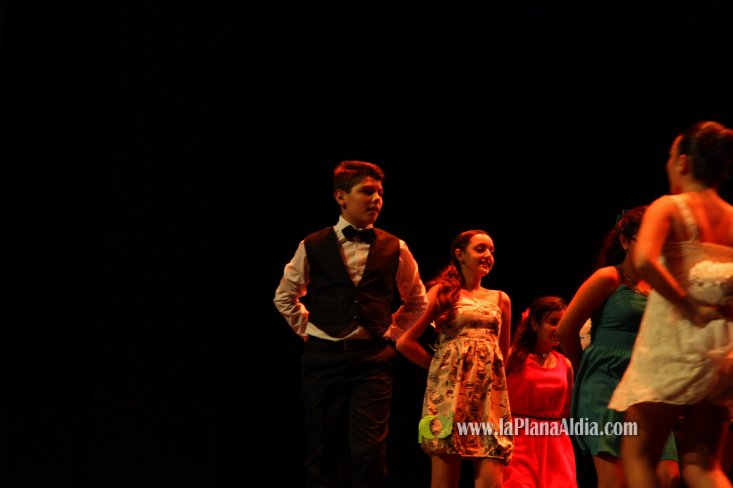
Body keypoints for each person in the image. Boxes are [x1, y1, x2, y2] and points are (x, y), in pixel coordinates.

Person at [273, 160, 428, 488]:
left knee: (370, 452)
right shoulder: (314, 244)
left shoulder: (395, 247)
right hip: (324, 359)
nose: (377, 199)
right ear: (341, 197)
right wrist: (311, 332)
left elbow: (417, 301)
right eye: (367, 191)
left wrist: (391, 332)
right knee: (324, 451)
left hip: (373, 360)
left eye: (380, 193)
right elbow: (285, 296)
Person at [608, 120, 733, 488]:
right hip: (721, 349)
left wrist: (689, 306)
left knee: (638, 451)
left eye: (669, 155)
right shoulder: (731, 217)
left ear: (682, 162)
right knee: (702, 464)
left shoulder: (669, 206)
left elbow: (645, 259)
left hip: (673, 344)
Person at [557, 206, 680, 487]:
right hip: (605, 382)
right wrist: (586, 367)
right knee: (616, 481)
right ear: (625, 241)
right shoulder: (609, 278)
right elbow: (565, 329)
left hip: (647, 383)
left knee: (668, 476)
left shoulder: (661, 284)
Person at [396, 229, 512, 488]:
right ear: (460, 254)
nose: (488, 255)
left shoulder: (501, 299)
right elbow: (404, 342)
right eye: (480, 249)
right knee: (442, 474)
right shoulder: (442, 291)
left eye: (492, 251)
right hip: (446, 395)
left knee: (493, 469)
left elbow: (502, 356)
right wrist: (438, 367)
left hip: (489, 398)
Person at [502, 296, 577, 487]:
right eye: (553, 322)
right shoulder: (511, 358)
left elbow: (567, 407)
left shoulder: (565, 364)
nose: (558, 328)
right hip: (518, 439)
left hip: (555, 443)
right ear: (535, 324)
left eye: (562, 322)